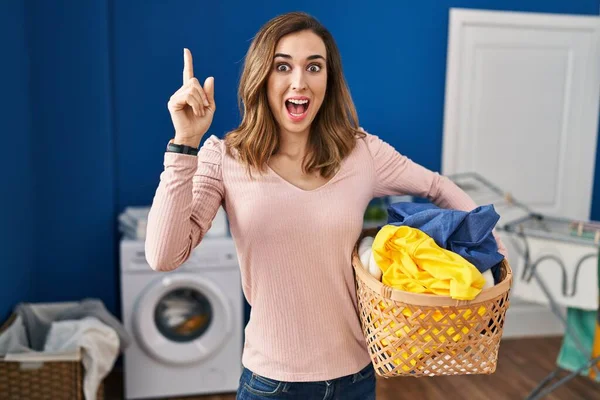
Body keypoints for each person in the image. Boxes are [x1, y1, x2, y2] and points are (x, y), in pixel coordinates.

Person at [145, 11, 507, 400]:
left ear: (328, 79)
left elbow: (436, 185)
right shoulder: (225, 158)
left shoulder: (361, 152)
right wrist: (184, 143)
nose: (299, 81)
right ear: (262, 77)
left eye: (313, 67)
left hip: (355, 379)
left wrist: (495, 254)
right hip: (270, 384)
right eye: (283, 66)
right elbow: (164, 256)